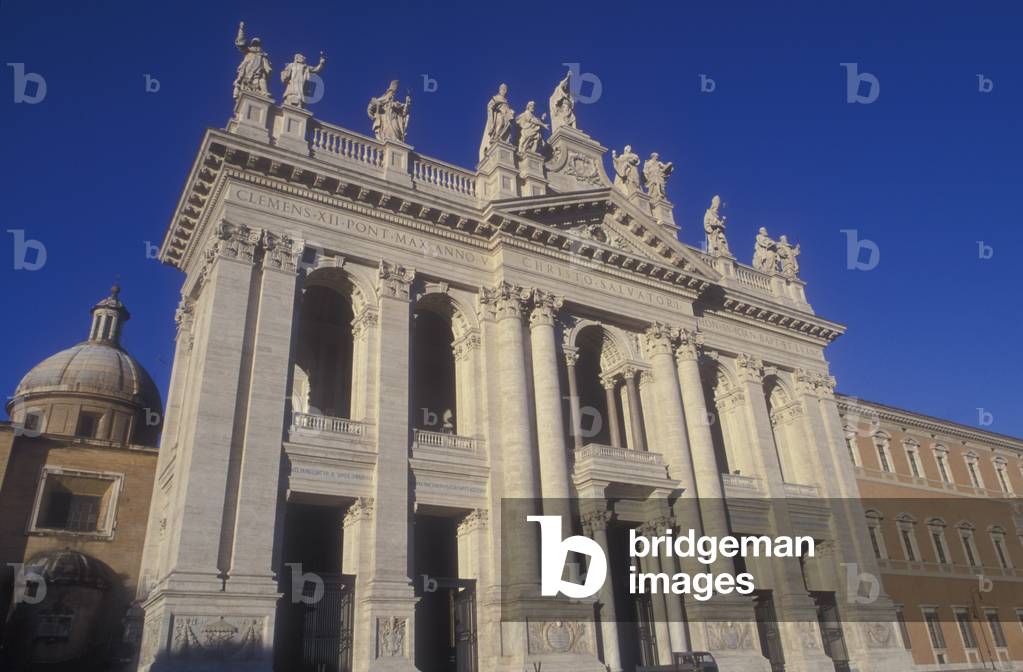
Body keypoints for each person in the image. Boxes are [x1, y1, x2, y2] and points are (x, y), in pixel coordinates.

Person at [233, 21, 272, 99]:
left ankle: (263, 92)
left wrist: (268, 67)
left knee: (261, 78)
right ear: (252, 44)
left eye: (257, 44)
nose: (256, 45)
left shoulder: (262, 54)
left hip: (259, 68)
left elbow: (267, 65)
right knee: (247, 79)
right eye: (254, 43)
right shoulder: (248, 50)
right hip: (248, 67)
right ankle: (247, 91)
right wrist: (241, 30)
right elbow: (241, 42)